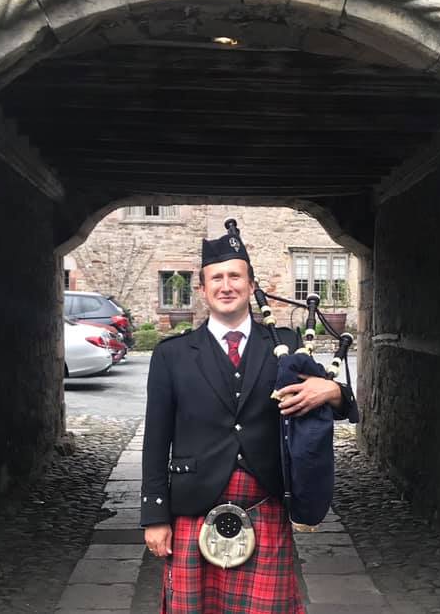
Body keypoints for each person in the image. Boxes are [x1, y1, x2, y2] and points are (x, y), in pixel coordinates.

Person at [141, 231, 354, 614]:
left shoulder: (285, 345)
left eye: (235, 276)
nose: (226, 286)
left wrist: (331, 391)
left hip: (264, 502)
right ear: (202, 289)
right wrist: (155, 516)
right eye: (216, 278)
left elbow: (335, 408)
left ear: (252, 285)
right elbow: (156, 441)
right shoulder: (172, 355)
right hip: (193, 505)